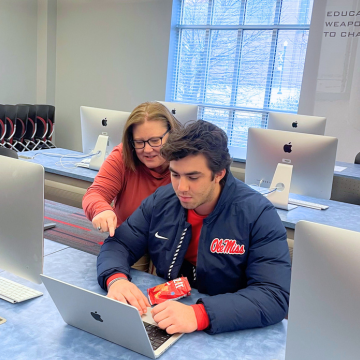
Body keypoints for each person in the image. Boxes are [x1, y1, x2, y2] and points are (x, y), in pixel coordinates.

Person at [97, 120, 291, 335]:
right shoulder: (162, 199)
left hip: (227, 328)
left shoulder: (258, 214)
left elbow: (274, 296)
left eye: (193, 177)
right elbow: (120, 243)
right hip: (168, 313)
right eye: (175, 174)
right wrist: (116, 279)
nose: (181, 188)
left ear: (219, 173)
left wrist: (199, 314)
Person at [83, 101, 181, 271]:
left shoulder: (185, 161)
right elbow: (95, 193)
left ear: (171, 134)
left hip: (174, 244)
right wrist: (101, 209)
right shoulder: (122, 156)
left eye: (155, 140)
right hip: (132, 241)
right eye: (139, 142)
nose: (148, 149)